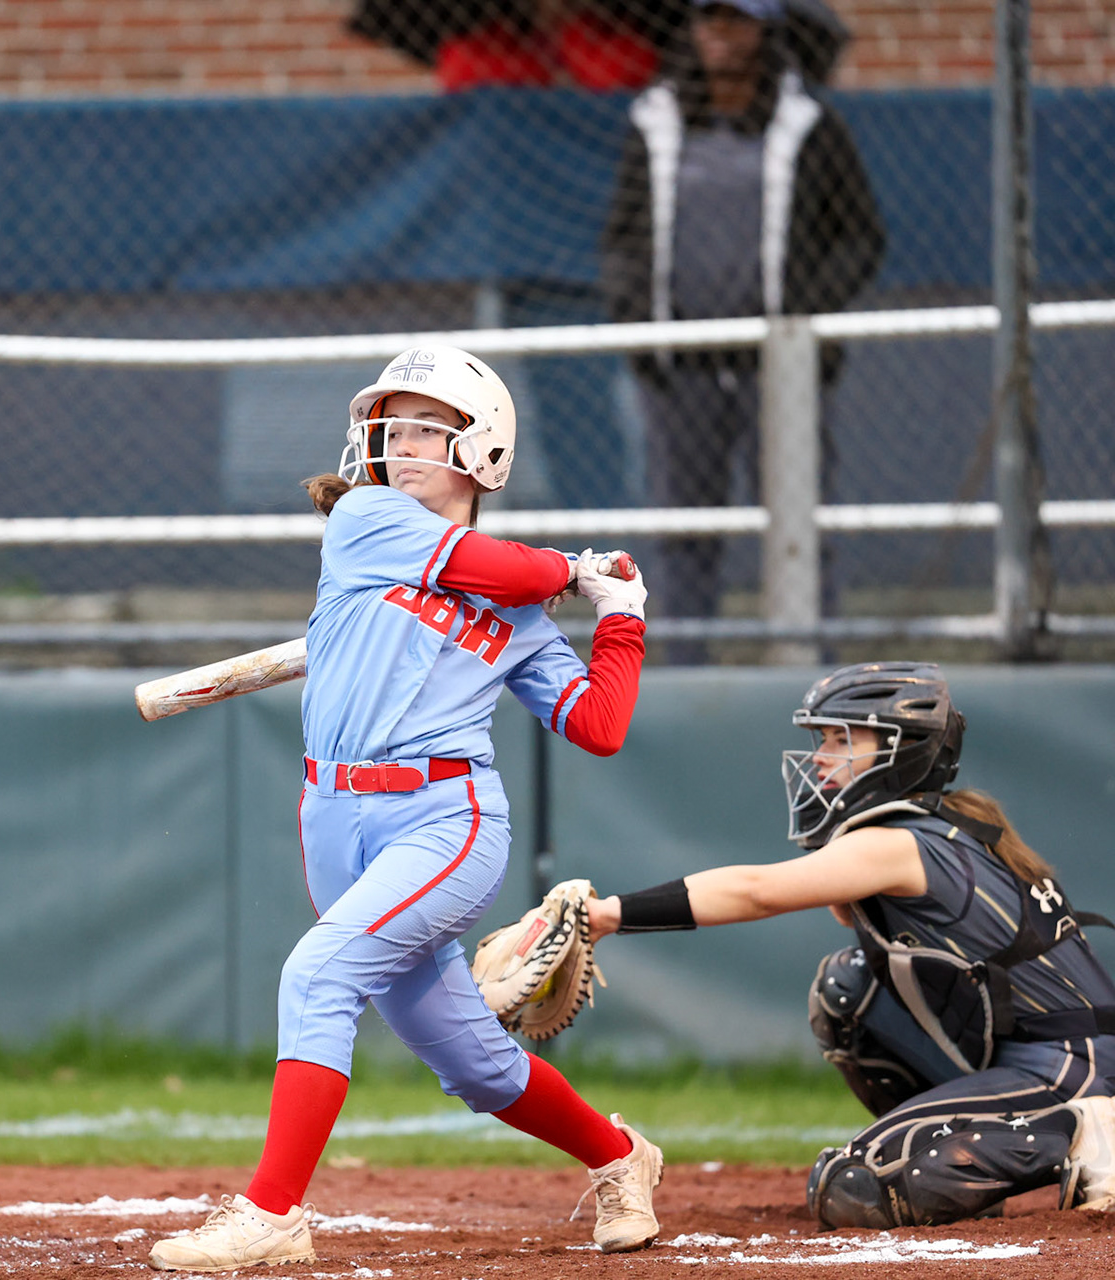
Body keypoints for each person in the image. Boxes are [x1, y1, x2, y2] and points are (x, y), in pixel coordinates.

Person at [149, 347, 663, 1272]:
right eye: (394, 424)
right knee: (476, 1067)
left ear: (482, 452)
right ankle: (623, 1159)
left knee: (317, 977)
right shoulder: (365, 518)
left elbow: (597, 724)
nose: (399, 440)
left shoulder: (523, 614)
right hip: (334, 821)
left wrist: (620, 613)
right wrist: (573, 569)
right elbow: (500, 569)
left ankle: (274, 1214)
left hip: (445, 819)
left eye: (428, 426)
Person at [587, 661, 1115, 1228]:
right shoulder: (934, 826)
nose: (820, 757)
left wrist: (606, 915)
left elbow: (757, 892)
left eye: (843, 739)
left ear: (903, 749)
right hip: (1042, 1056)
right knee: (849, 990)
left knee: (857, 1186)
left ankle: (1082, 1132)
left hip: (1077, 1067)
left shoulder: (899, 842)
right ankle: (991, 1161)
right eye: (824, 738)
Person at [599, 0, 884, 661]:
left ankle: (806, 667)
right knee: (686, 530)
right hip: (682, 368)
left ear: (765, 30)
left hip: (778, 369)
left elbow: (862, 237)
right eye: (705, 19)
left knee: (796, 528)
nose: (717, 34)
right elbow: (622, 241)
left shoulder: (808, 124)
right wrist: (641, 328)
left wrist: (799, 314)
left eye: (733, 20)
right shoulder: (655, 122)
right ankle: (685, 669)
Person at [435, 0, 660, 92]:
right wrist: (541, 74)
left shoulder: (615, 35)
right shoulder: (500, 37)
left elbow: (615, 76)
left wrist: (571, 31)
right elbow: (455, 71)